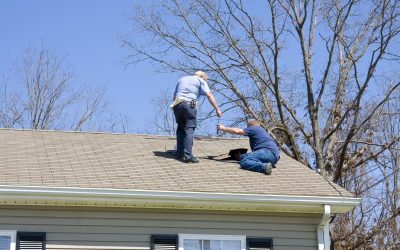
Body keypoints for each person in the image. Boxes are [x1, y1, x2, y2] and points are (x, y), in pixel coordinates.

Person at [171, 71, 222, 163]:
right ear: (202, 77)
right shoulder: (201, 81)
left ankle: (179, 153)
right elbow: (209, 95)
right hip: (189, 105)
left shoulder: (182, 79)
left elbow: (174, 96)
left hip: (177, 105)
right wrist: (217, 109)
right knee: (189, 129)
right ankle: (188, 156)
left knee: (180, 129)